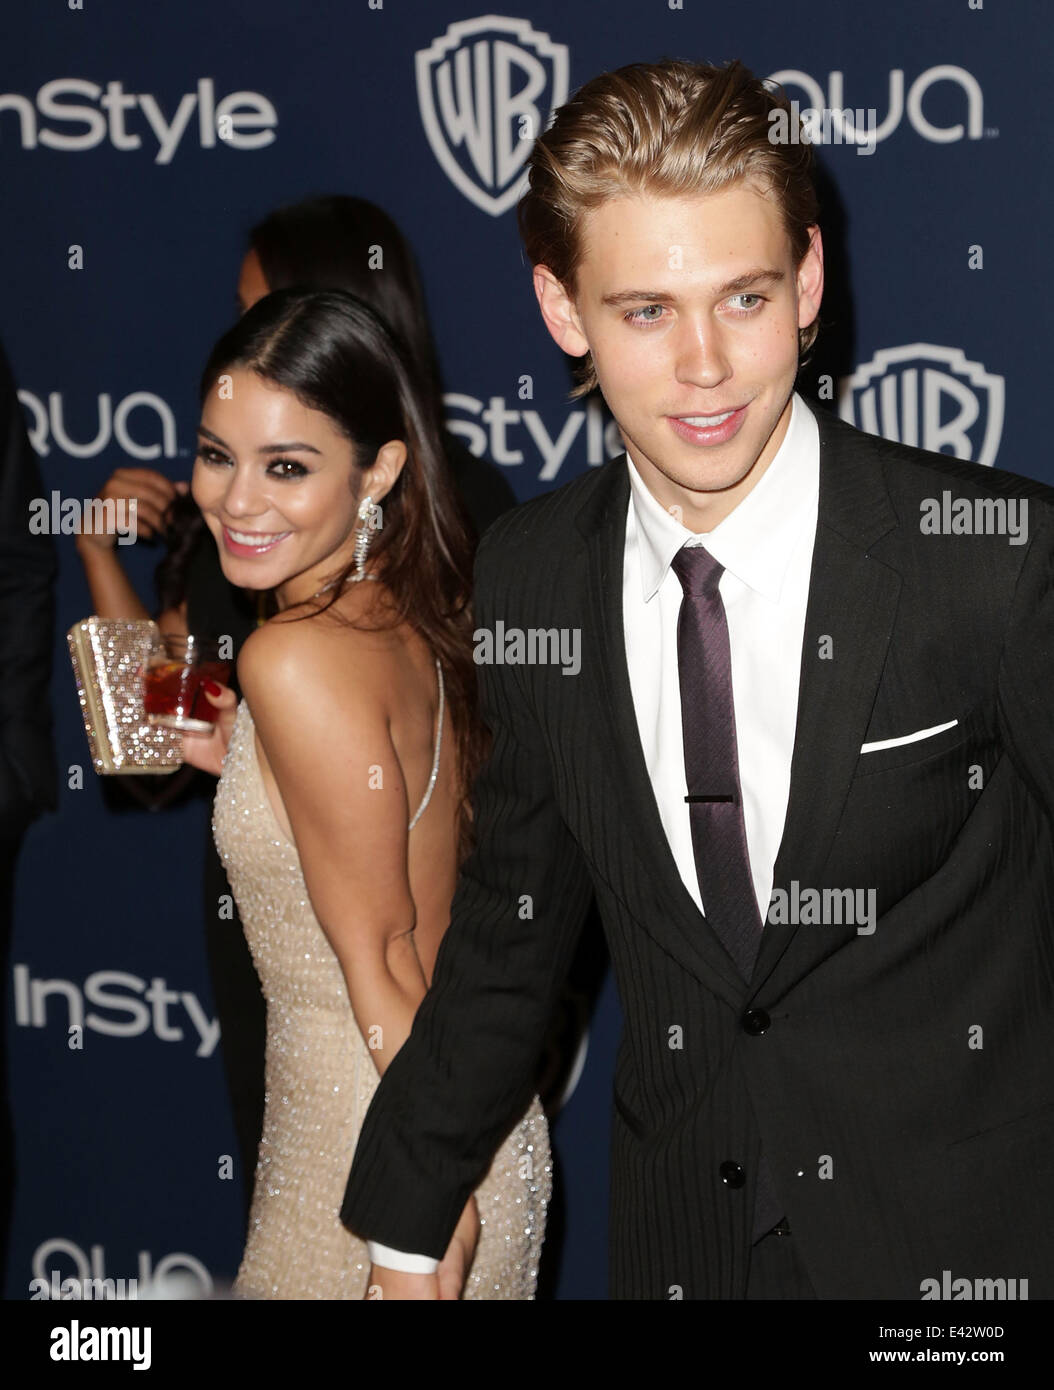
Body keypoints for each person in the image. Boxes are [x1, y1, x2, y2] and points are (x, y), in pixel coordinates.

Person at [339, 57, 1054, 1300]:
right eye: (647, 311)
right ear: (563, 311)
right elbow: (514, 924)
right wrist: (407, 1207)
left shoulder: (987, 563)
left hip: (962, 1259)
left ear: (810, 284)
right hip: (685, 1241)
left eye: (744, 296)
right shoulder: (533, 575)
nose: (708, 366)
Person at [73, 194, 518, 1217]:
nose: (247, 337)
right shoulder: (254, 536)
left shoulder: (452, 526)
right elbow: (158, 746)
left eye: (262, 304)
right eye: (220, 456)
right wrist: (102, 562)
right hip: (316, 981)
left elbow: (430, 842)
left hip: (393, 1017)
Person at [182, 287, 548, 1299]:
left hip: (378, 1150)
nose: (236, 499)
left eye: (287, 466)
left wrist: (425, 1211)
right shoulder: (421, 612)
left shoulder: (290, 655)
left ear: (379, 467)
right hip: (474, 1116)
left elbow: (385, 951)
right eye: (216, 453)